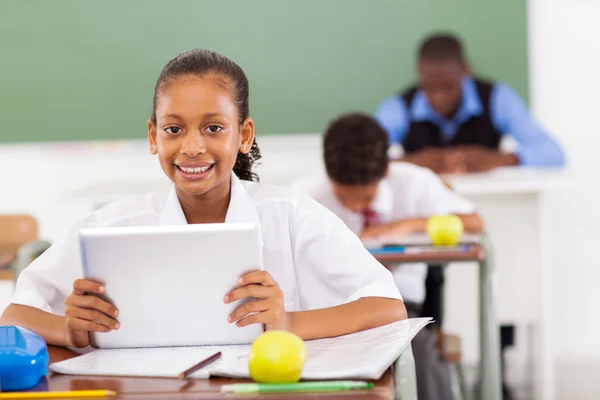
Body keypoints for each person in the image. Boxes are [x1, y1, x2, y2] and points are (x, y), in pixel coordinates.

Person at [0, 49, 406, 349]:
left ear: (244, 135)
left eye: (213, 128)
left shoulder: (290, 216)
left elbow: (388, 307)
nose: (192, 147)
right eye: (174, 130)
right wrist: (74, 332)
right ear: (153, 137)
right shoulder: (111, 226)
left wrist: (287, 321)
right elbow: (15, 316)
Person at [293, 113, 484, 400]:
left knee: (417, 350)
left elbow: (474, 221)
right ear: (329, 175)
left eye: (366, 198)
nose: (356, 206)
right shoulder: (304, 197)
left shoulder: (413, 183)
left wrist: (408, 225)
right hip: (332, 309)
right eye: (345, 197)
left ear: (385, 173)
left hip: (401, 308)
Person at [375, 33, 565, 174]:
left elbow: (553, 153)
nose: (438, 97)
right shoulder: (398, 107)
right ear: (419, 74)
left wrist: (499, 159)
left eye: (448, 87)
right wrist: (413, 162)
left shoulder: (497, 98)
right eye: (429, 87)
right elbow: (363, 158)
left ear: (465, 70)